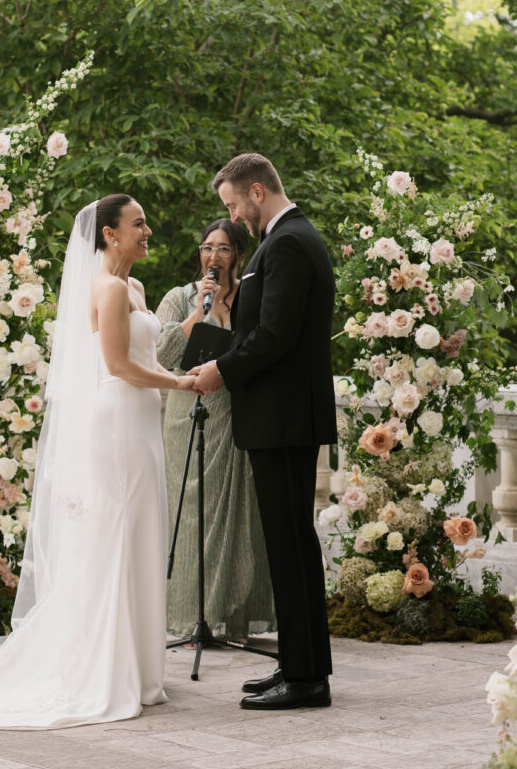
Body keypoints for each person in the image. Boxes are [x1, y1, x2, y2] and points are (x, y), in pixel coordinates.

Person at [0, 195, 196, 729]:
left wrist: (189, 342)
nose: (147, 230)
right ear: (109, 234)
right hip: (116, 420)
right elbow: (117, 364)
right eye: (138, 224)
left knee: (142, 528)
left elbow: (149, 351)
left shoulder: (134, 287)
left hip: (142, 423)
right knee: (117, 529)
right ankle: (105, 669)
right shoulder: (106, 289)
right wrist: (180, 383)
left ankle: (138, 665)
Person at [191, 154, 337, 711]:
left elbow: (275, 335)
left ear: (257, 192)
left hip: (284, 419)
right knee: (290, 544)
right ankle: (301, 666)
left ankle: (304, 679)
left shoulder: (289, 243)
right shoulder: (286, 240)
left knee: (291, 545)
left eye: (232, 205)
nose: (232, 216)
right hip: (280, 417)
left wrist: (219, 371)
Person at [155, 219, 275, 639]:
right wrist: (196, 314)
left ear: (239, 256)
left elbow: (262, 350)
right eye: (208, 248)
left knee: (237, 515)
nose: (213, 257)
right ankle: (191, 616)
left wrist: (226, 314)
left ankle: (230, 617)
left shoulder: (251, 296)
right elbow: (160, 353)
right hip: (187, 412)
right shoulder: (178, 297)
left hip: (235, 413)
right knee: (189, 517)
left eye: (224, 249)